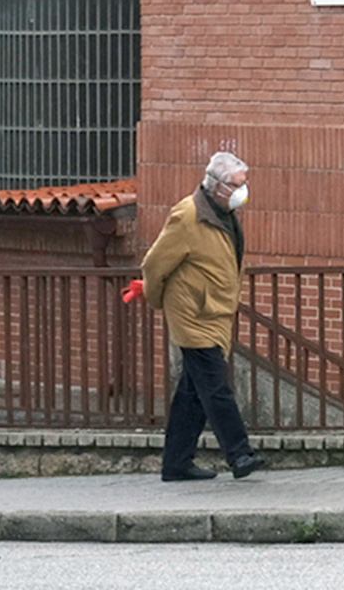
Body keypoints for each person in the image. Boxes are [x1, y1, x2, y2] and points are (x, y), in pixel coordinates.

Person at [139, 150, 268, 482]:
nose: (243, 190)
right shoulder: (188, 216)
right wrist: (156, 300)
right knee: (216, 387)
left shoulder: (224, 214)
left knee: (192, 393)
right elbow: (154, 264)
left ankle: (176, 463)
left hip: (215, 312)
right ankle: (239, 454)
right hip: (193, 314)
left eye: (244, 183)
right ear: (217, 185)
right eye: (237, 184)